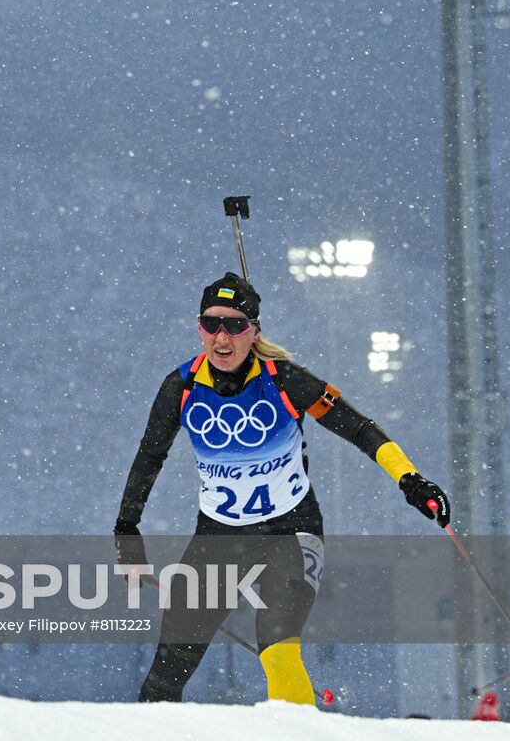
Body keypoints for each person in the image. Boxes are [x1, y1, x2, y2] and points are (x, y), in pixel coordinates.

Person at [113, 272, 450, 705]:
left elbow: (360, 430)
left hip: (290, 533)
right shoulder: (180, 387)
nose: (222, 336)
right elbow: (148, 458)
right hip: (219, 537)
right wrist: (126, 529)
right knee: (167, 671)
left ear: (253, 332)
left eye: (235, 325)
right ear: (199, 328)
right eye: (211, 323)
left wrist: (410, 479)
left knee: (277, 647)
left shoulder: (285, 380)